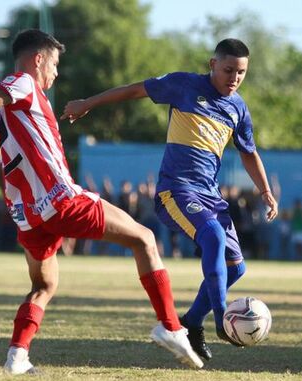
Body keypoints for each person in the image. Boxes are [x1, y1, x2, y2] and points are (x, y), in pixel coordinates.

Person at [0, 29, 202, 373]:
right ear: (38, 59)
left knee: (43, 285)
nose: (55, 72)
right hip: (61, 201)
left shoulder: (8, 116)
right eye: (54, 63)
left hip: (28, 218)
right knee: (144, 239)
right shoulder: (23, 84)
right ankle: (171, 327)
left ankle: (17, 357)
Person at [62, 38, 279, 361]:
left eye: (241, 72)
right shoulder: (183, 85)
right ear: (212, 65)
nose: (234, 78)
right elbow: (134, 90)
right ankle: (221, 319)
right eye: (228, 70)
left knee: (236, 268)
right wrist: (88, 103)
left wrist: (265, 190)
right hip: (175, 190)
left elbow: (249, 152)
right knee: (214, 236)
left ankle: (191, 323)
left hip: (210, 195)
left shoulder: (238, 108)